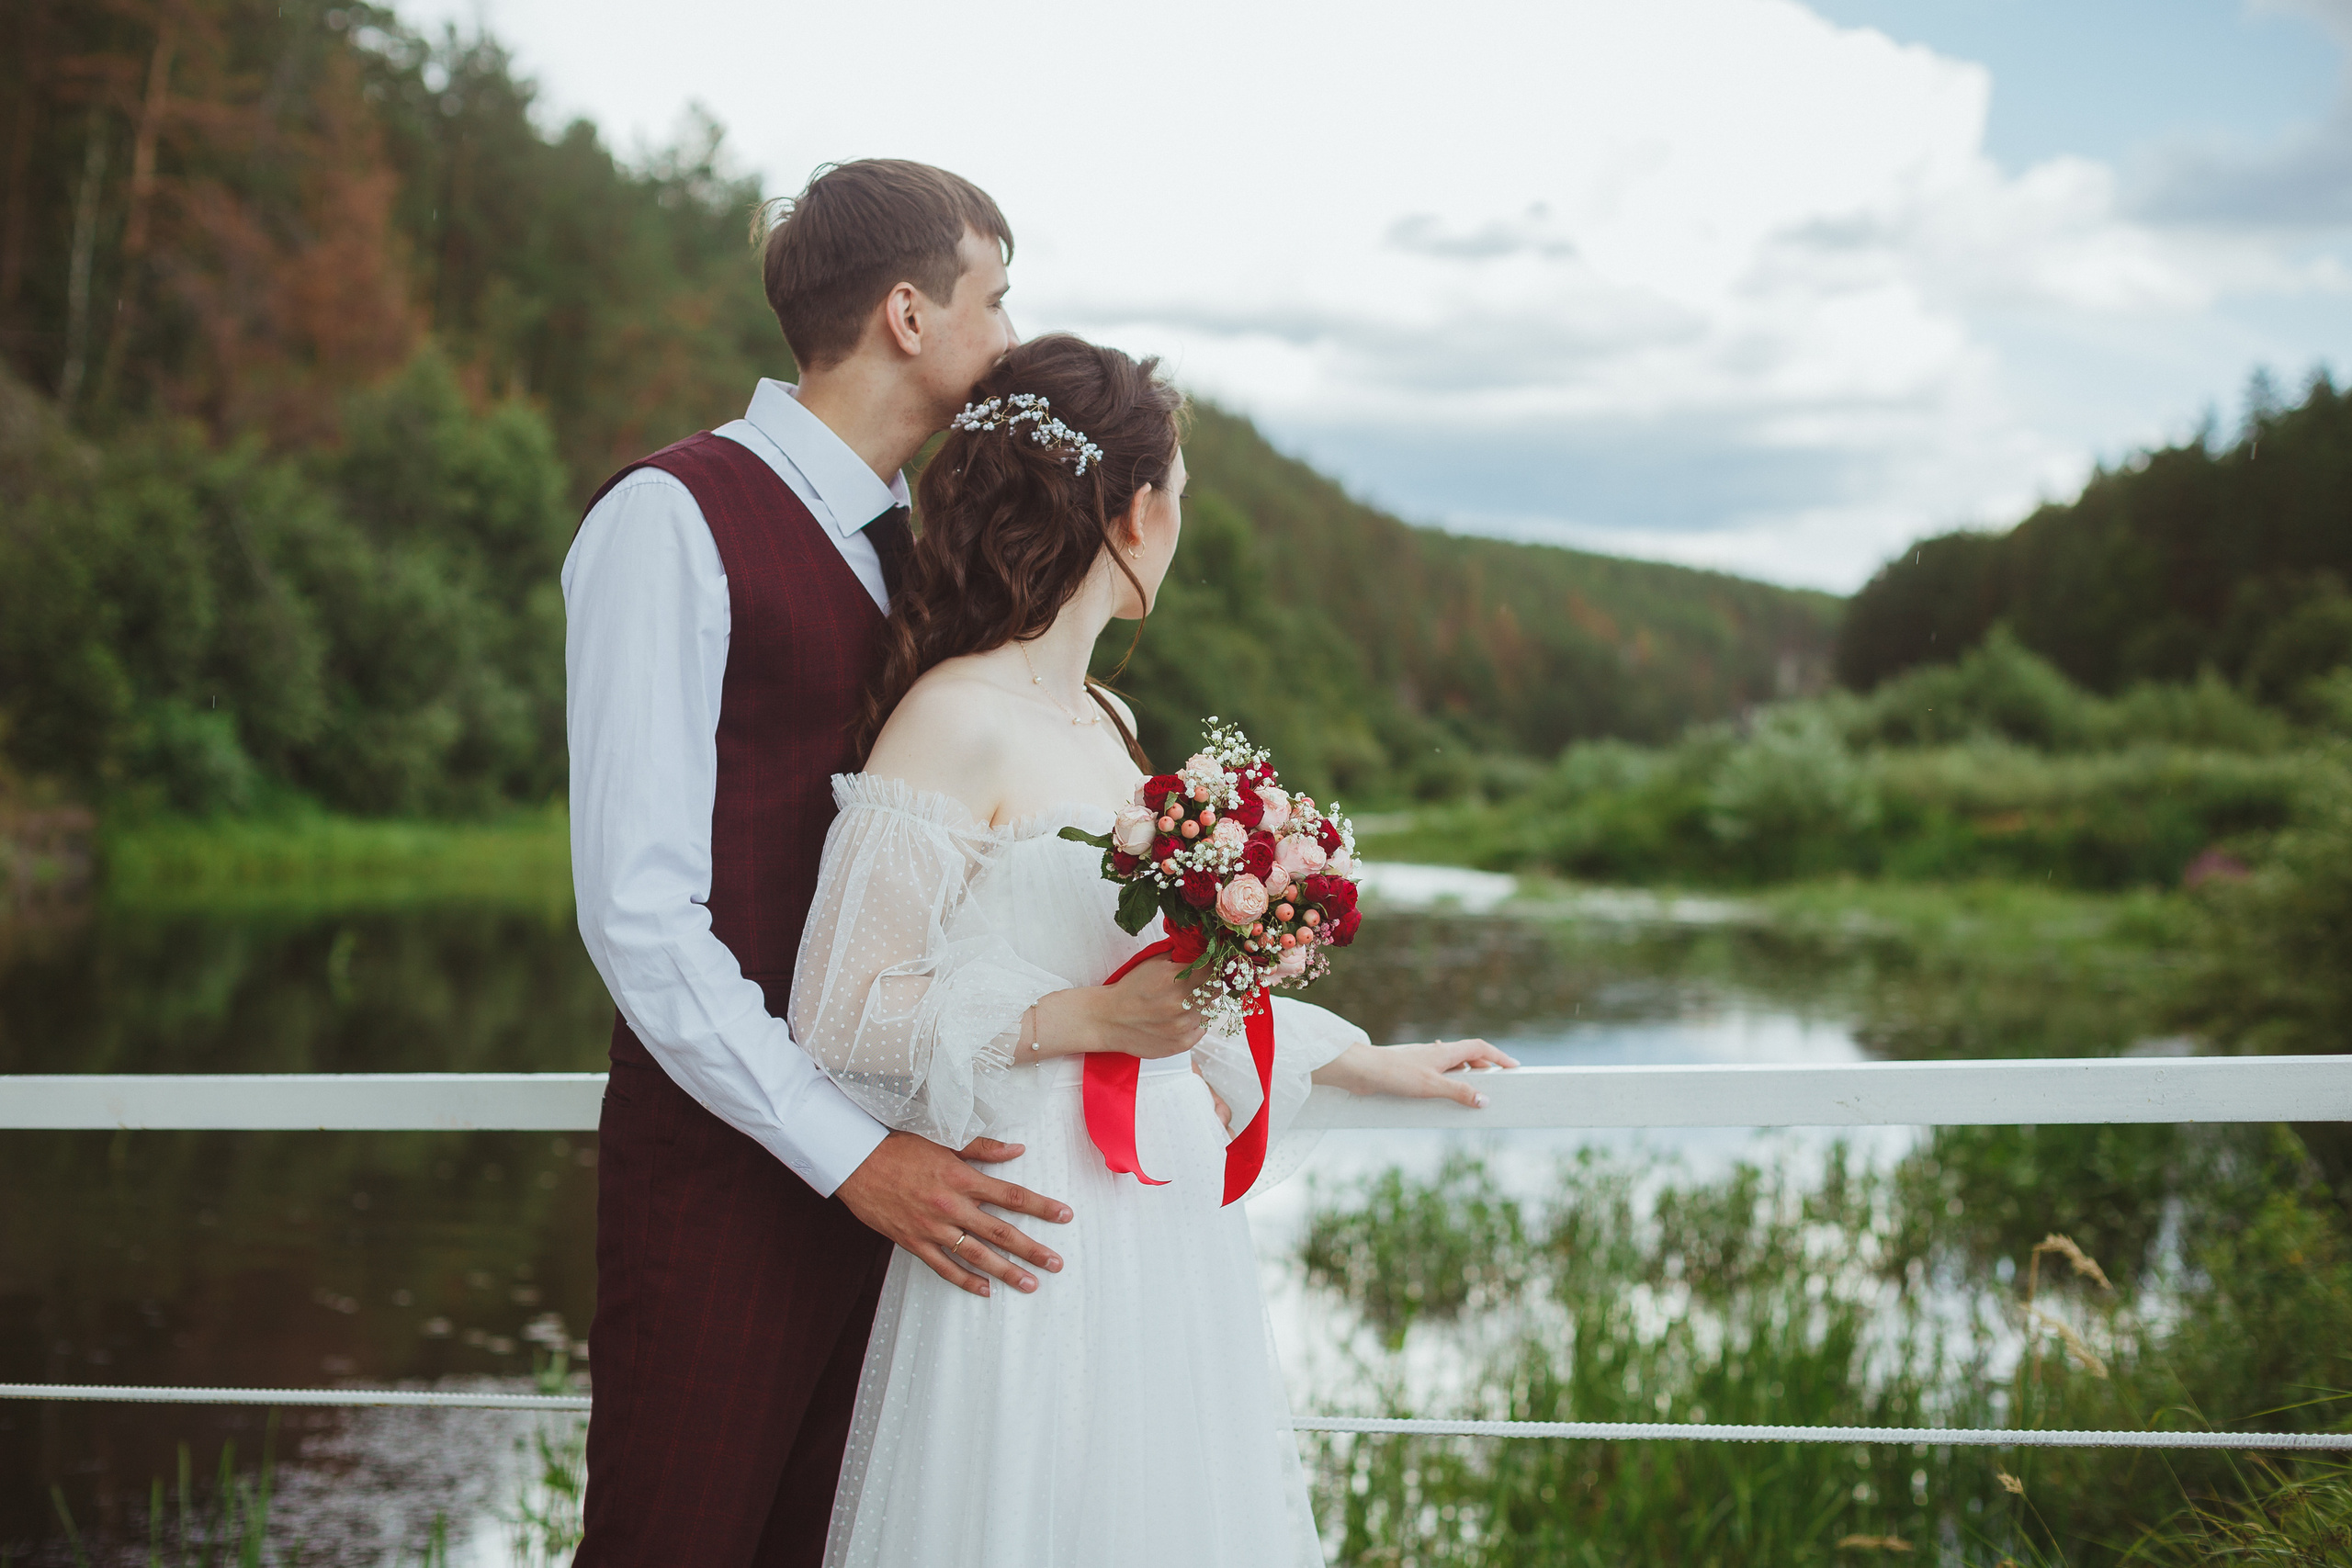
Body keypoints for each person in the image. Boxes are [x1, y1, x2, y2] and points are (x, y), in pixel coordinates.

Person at [563, 161, 1206, 1566]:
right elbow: (639, 919)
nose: (1014, 328)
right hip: (737, 1182)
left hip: (931, 1187)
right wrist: (854, 1158)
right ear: (910, 315)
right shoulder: (671, 520)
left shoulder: (922, 554)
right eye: (998, 293)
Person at [790, 332, 1519, 1567]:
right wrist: (1077, 1027)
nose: (1177, 522)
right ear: (1131, 514)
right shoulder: (952, 718)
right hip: (1035, 1208)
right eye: (1177, 496)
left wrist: (1356, 1061)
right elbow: (842, 1011)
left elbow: (1145, 986)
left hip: (1160, 1218)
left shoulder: (1109, 719)